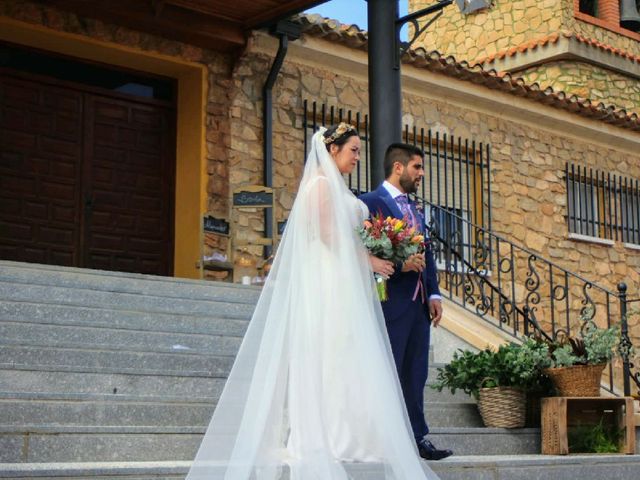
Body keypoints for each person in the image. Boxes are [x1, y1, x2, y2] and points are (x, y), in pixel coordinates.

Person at [185, 124, 440, 480]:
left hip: (346, 281)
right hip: (330, 283)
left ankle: (352, 433)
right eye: (352, 150)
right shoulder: (320, 185)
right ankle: (334, 436)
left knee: (347, 353)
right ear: (333, 149)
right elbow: (327, 235)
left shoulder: (335, 186)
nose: (356, 157)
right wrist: (370, 261)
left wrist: (373, 254)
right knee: (335, 351)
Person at [359, 143, 453, 461]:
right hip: (389, 300)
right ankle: (381, 437)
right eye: (417, 167)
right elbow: (359, 249)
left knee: (416, 372)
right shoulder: (369, 202)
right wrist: (399, 266)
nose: (421, 174)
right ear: (398, 168)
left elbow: (426, 254)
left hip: (419, 304)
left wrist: (435, 293)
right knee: (388, 369)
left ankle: (417, 438)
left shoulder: (416, 209)